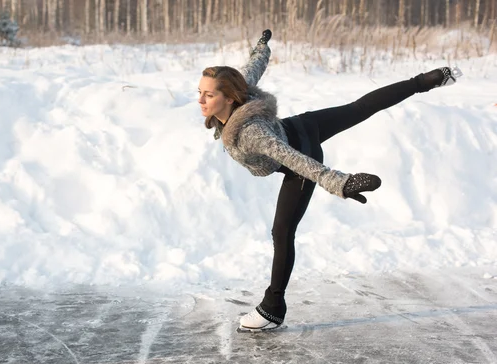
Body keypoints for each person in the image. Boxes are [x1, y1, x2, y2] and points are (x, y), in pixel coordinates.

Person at [197, 29, 460, 332]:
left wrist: (339, 182)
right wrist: (262, 49)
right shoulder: (239, 93)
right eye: (200, 92)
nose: (202, 100)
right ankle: (425, 81)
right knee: (358, 108)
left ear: (228, 98)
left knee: (282, 231)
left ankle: (272, 308)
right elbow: (252, 69)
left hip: (301, 155)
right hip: (303, 126)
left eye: (209, 94)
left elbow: (293, 159)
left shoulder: (251, 133)